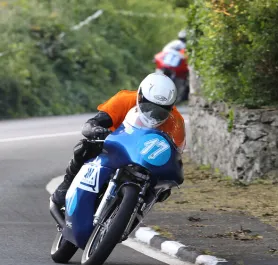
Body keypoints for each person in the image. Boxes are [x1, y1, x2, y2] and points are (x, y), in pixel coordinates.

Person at [51, 73, 186, 209]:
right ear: (140, 96)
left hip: (145, 158)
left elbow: (176, 153)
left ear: (171, 108)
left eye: (160, 110)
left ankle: (136, 211)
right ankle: (67, 183)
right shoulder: (124, 99)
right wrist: (95, 129)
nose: (153, 114)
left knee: (163, 191)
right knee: (85, 147)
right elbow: (94, 122)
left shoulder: (176, 122)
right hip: (113, 146)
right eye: (148, 106)